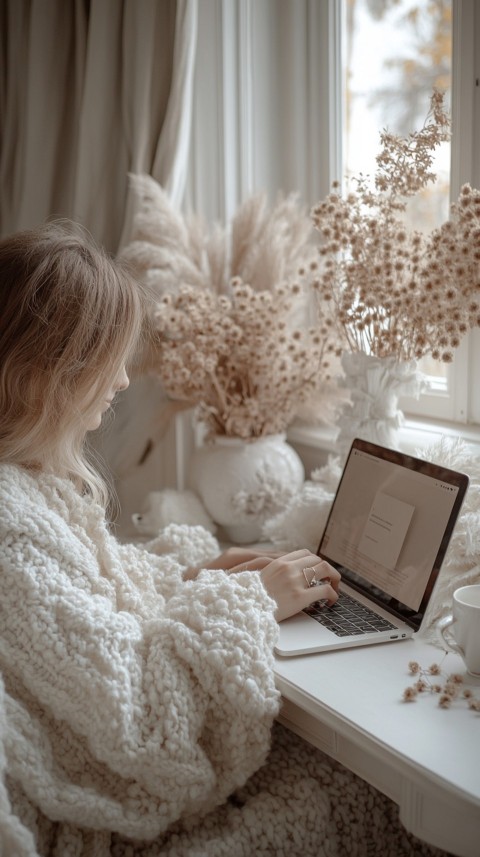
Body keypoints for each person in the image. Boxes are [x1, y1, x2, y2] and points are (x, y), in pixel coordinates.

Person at [0, 222, 448, 857]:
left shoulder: (25, 482)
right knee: (388, 802)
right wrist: (253, 602)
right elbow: (142, 723)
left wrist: (202, 573)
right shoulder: (10, 529)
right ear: (47, 375)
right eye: (111, 364)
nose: (125, 383)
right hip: (104, 816)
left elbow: (87, 596)